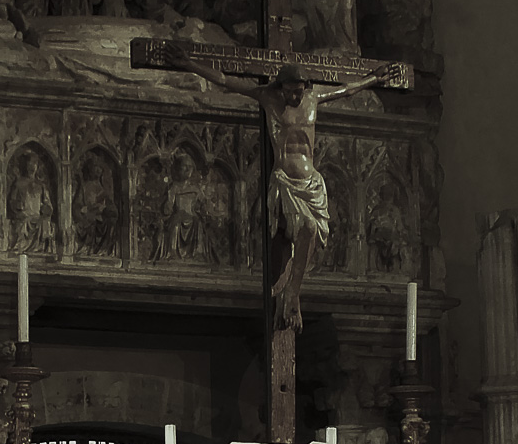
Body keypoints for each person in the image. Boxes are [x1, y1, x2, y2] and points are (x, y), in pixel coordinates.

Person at [164, 44, 397, 331]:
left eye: (300, 89)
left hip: (311, 183)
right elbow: (226, 80)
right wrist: (190, 64)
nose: (296, 95)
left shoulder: (314, 98)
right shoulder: (268, 98)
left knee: (309, 234)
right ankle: (290, 296)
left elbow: (347, 90)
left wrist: (373, 79)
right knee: (299, 234)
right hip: (286, 183)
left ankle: (291, 294)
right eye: (290, 90)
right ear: (281, 87)